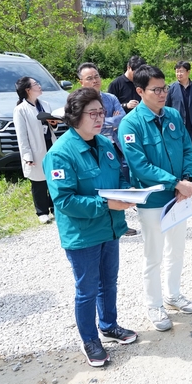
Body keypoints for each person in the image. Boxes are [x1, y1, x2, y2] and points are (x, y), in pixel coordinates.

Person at [43, 88, 138, 367]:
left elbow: (118, 179)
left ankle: (108, 325)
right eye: (93, 113)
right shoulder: (60, 154)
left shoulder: (105, 144)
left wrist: (127, 192)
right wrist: (107, 204)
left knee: (109, 281)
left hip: (109, 229)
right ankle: (89, 339)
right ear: (75, 117)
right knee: (86, 289)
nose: (100, 119)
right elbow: (65, 200)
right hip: (82, 234)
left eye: (102, 112)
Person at [118, 65, 192, 331]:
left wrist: (185, 180)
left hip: (179, 197)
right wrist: (175, 182)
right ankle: (154, 304)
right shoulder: (131, 123)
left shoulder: (173, 115)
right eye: (156, 90)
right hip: (153, 200)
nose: (163, 93)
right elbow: (139, 165)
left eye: (164, 88)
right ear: (140, 91)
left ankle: (173, 295)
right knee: (153, 255)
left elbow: (188, 148)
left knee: (177, 250)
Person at [77, 62, 138, 237]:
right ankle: (100, 221)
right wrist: (110, 121)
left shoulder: (110, 98)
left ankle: (120, 223)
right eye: (89, 78)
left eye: (96, 76)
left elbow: (122, 119)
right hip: (92, 148)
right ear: (81, 81)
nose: (95, 80)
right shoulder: (77, 101)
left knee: (118, 181)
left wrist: (105, 122)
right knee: (97, 185)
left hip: (115, 146)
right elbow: (90, 124)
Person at [13, 77, 56, 224]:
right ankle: (42, 212)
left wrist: (54, 123)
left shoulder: (45, 104)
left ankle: (55, 207)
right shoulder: (20, 110)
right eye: (36, 84)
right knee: (38, 181)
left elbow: (52, 127)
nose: (39, 86)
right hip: (35, 147)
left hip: (49, 143)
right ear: (28, 90)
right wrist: (27, 155)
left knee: (54, 176)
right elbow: (21, 135)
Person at [166, 61, 192, 186]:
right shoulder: (171, 88)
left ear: (188, 72)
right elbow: (167, 106)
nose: (179, 74)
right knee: (179, 151)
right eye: (177, 71)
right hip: (177, 126)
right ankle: (183, 176)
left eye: (181, 71)